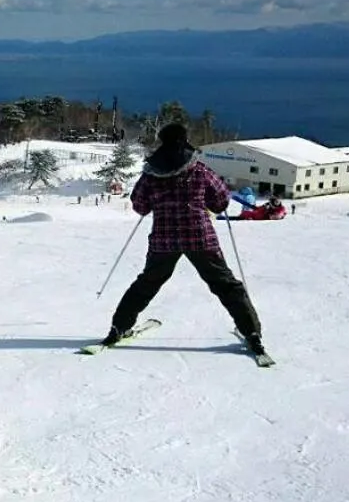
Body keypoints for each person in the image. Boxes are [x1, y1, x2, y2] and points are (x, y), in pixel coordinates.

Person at [101, 123, 266, 356]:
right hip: (200, 237)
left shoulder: (151, 174)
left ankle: (118, 328)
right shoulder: (200, 170)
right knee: (226, 285)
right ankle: (252, 333)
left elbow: (140, 206)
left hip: (163, 240)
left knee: (147, 283)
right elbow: (221, 201)